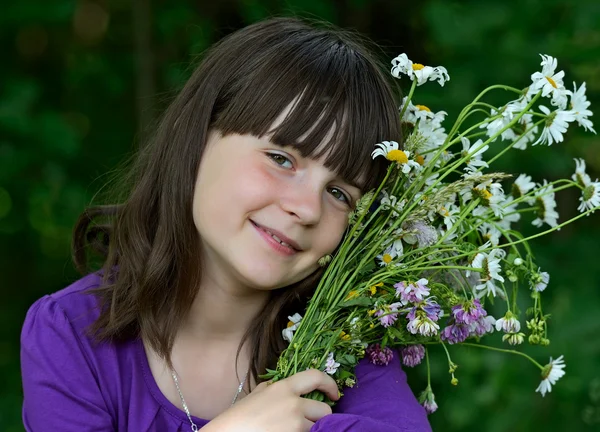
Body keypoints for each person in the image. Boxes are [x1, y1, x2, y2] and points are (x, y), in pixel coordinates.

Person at [20, 16, 432, 432]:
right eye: (282, 159)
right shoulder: (71, 334)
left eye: (340, 193)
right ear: (197, 136)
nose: (307, 210)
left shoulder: (348, 353)